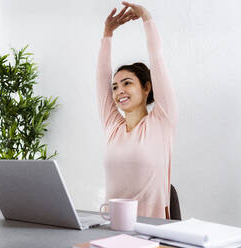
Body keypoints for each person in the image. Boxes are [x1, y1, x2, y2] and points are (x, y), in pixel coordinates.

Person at [96, 2, 178, 218]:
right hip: (113, 229)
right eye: (115, 86)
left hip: (153, 233)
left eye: (127, 83)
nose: (119, 90)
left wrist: (147, 19)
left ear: (147, 87)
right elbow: (100, 80)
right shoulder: (112, 126)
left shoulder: (162, 121)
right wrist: (107, 35)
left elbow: (157, 59)